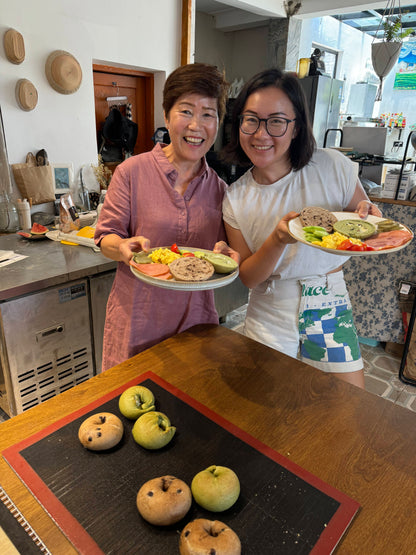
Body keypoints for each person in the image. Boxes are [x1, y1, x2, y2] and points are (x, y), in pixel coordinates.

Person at [221, 68, 382, 389]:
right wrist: (280, 239)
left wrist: (370, 216)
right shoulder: (235, 196)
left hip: (329, 301)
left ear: (296, 128)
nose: (261, 134)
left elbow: (364, 221)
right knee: (269, 413)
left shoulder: (332, 166)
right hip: (269, 310)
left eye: (277, 121)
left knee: (347, 409)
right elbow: (249, 277)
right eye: (250, 119)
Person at [94, 63, 236, 371]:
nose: (196, 125)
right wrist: (121, 247)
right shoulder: (132, 172)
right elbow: (105, 237)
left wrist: (224, 252)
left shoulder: (221, 189)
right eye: (186, 111)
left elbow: (222, 250)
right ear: (166, 114)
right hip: (138, 318)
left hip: (195, 321)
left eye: (208, 114)